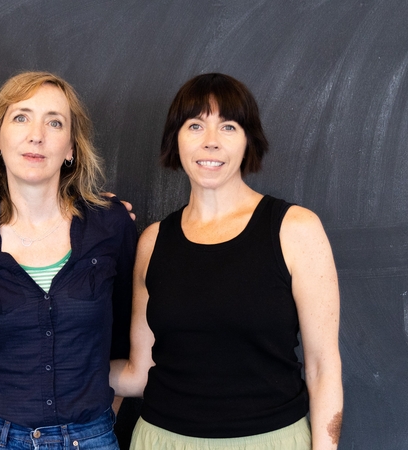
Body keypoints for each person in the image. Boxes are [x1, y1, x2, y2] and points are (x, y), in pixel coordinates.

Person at [110, 73, 343, 449]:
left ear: (248, 139)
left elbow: (322, 367)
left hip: (272, 441)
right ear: (176, 139)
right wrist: (47, 357)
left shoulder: (295, 229)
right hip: (162, 440)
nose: (211, 142)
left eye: (228, 126)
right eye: (195, 125)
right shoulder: (152, 242)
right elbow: (139, 374)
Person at [0, 71, 137, 450]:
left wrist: (100, 421)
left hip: (91, 437)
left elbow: (124, 339)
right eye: (21, 117)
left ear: (71, 147)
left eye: (54, 122)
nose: (36, 134)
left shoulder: (111, 226)